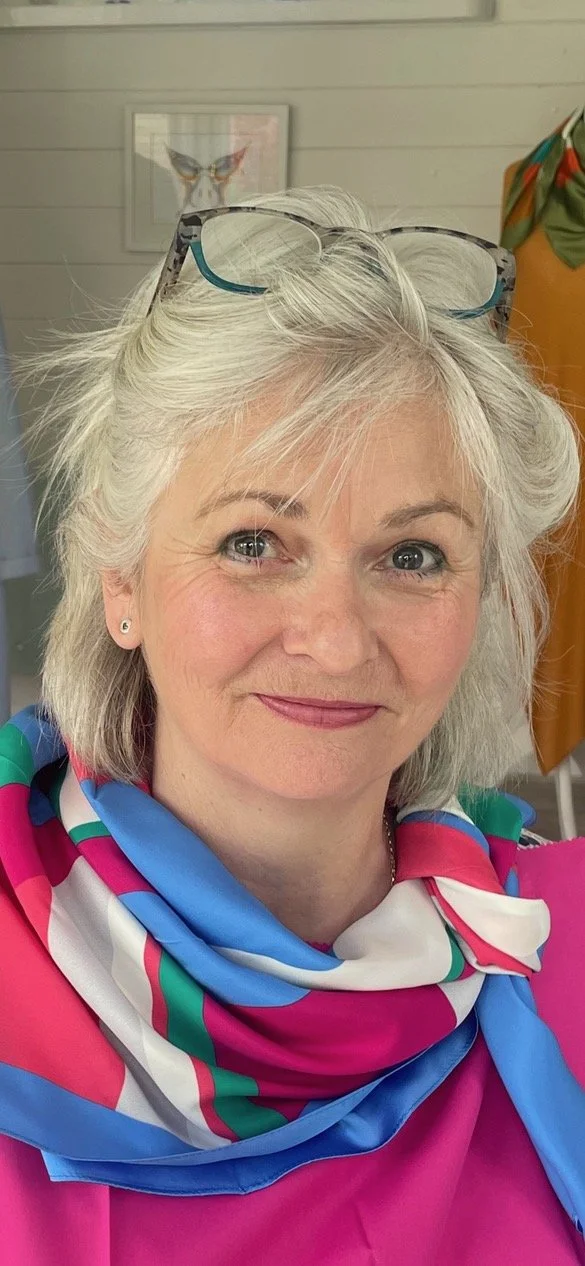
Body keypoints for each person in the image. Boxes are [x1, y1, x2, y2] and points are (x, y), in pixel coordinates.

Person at [0, 186, 584, 1266]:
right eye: (253, 541)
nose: (334, 637)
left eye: (412, 556)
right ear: (118, 577)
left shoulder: (563, 942)